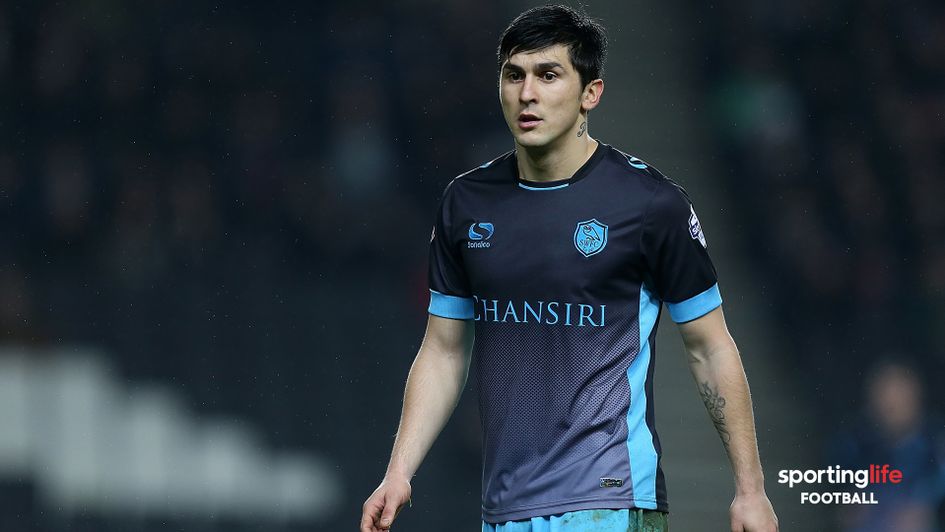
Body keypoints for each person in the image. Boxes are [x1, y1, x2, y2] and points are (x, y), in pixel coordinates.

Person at [361, 5, 779, 531]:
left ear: (591, 94)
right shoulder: (466, 204)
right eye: (514, 75)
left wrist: (750, 489)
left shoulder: (651, 205)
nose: (526, 93)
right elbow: (444, 350)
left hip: (612, 498)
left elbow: (709, 345)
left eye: (548, 75)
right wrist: (399, 471)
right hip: (506, 509)